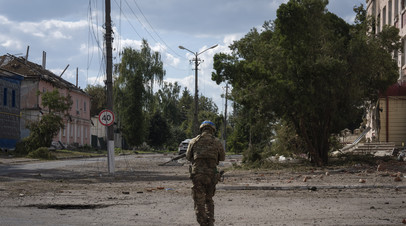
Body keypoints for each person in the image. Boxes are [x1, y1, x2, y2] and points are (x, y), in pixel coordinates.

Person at [186, 120, 225, 226]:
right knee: (209, 199)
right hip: (211, 175)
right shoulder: (217, 142)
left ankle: (203, 222)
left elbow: (188, 157)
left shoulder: (194, 141)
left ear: (202, 128)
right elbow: (222, 158)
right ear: (213, 130)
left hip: (198, 175)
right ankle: (210, 222)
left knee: (199, 201)